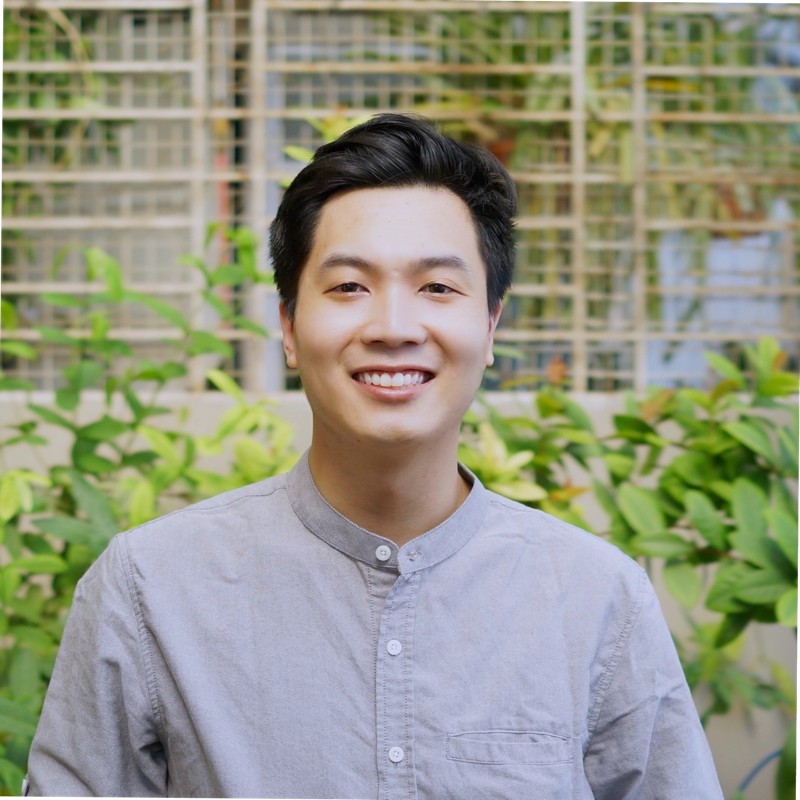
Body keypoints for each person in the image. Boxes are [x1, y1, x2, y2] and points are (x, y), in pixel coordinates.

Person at [25, 113, 723, 799]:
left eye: (437, 287)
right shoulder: (151, 586)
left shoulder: (596, 599)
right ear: (290, 327)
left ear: (489, 326)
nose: (393, 327)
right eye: (349, 287)